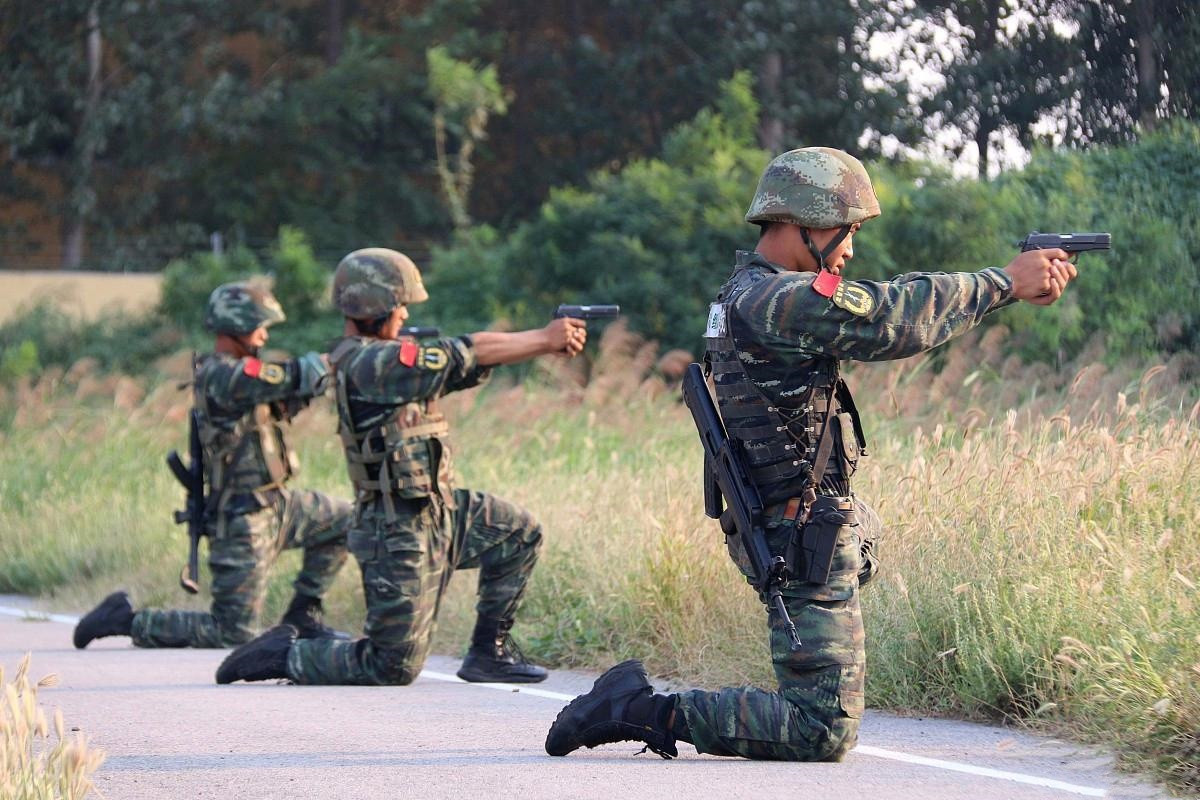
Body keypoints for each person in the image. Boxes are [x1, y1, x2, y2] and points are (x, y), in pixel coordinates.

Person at [545, 146, 1076, 760]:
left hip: (798, 519)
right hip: (797, 533)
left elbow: (879, 303)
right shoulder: (776, 300)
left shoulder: (748, 291)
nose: (850, 246)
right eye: (844, 229)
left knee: (861, 543)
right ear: (802, 222)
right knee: (818, 729)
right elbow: (887, 318)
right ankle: (635, 709)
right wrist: (1004, 282)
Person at [215, 248, 587, 686]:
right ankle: (288, 654)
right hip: (396, 530)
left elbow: (469, 364)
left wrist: (537, 345)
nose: (405, 313)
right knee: (390, 666)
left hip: (440, 510)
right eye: (400, 304)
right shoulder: (369, 363)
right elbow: (468, 350)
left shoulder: (385, 358)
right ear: (376, 307)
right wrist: (545, 339)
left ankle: (490, 652)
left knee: (520, 532)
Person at [73, 281, 354, 650]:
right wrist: (337, 359)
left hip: (278, 505)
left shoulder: (242, 378)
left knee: (348, 520)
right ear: (236, 327)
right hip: (241, 519)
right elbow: (289, 376)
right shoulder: (221, 375)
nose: (265, 334)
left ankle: (304, 614)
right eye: (259, 326)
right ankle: (127, 620)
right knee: (231, 632)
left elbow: (287, 396)